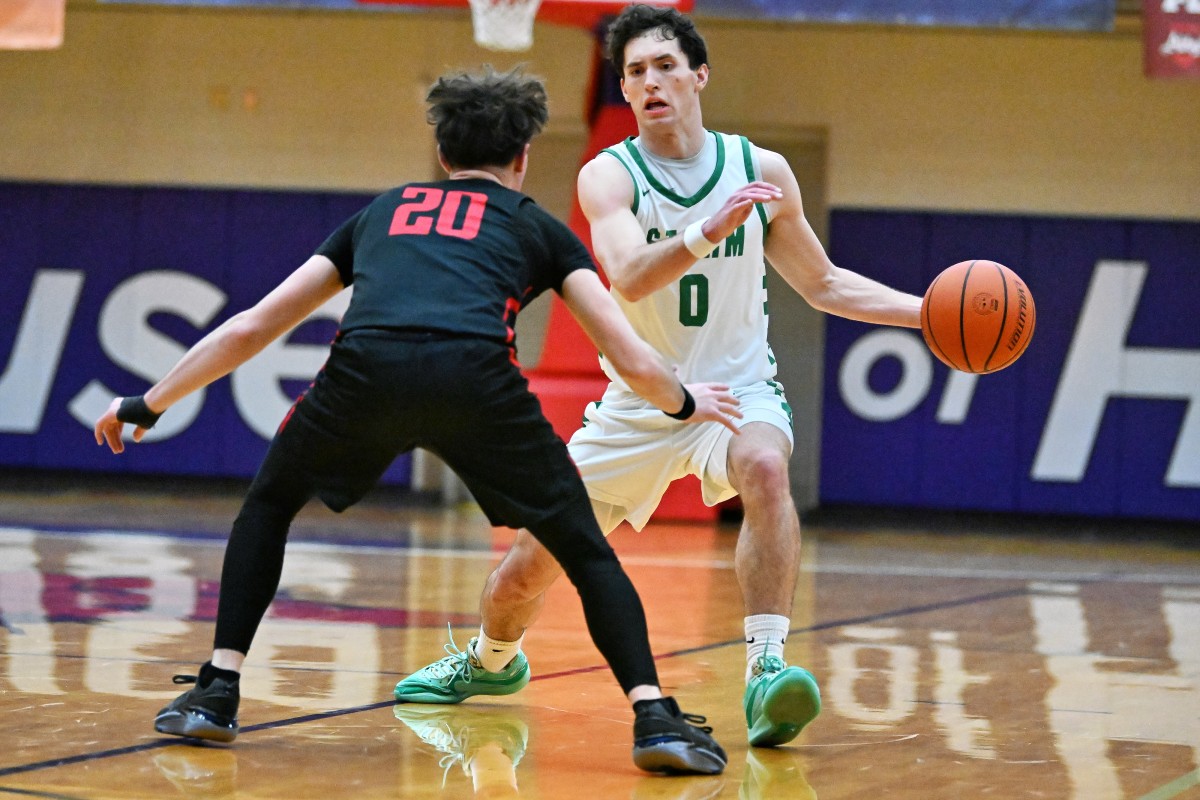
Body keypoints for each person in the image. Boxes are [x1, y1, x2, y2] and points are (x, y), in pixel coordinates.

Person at [93, 65, 744, 776]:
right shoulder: (538, 227)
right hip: (476, 376)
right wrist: (686, 403)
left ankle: (215, 693)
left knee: (270, 504)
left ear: (442, 154)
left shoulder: (382, 212)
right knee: (584, 550)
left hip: (368, 368)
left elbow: (252, 327)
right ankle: (654, 717)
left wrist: (147, 403)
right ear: (522, 158)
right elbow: (627, 352)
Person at [396, 5, 924, 749]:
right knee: (524, 570)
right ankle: (490, 661)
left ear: (699, 75)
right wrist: (709, 225)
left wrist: (928, 313)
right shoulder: (609, 175)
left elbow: (826, 284)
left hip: (737, 389)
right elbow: (631, 277)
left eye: (665, 66)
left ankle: (766, 672)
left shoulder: (761, 170)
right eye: (635, 72)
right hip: (641, 399)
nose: (650, 82)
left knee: (766, 466)